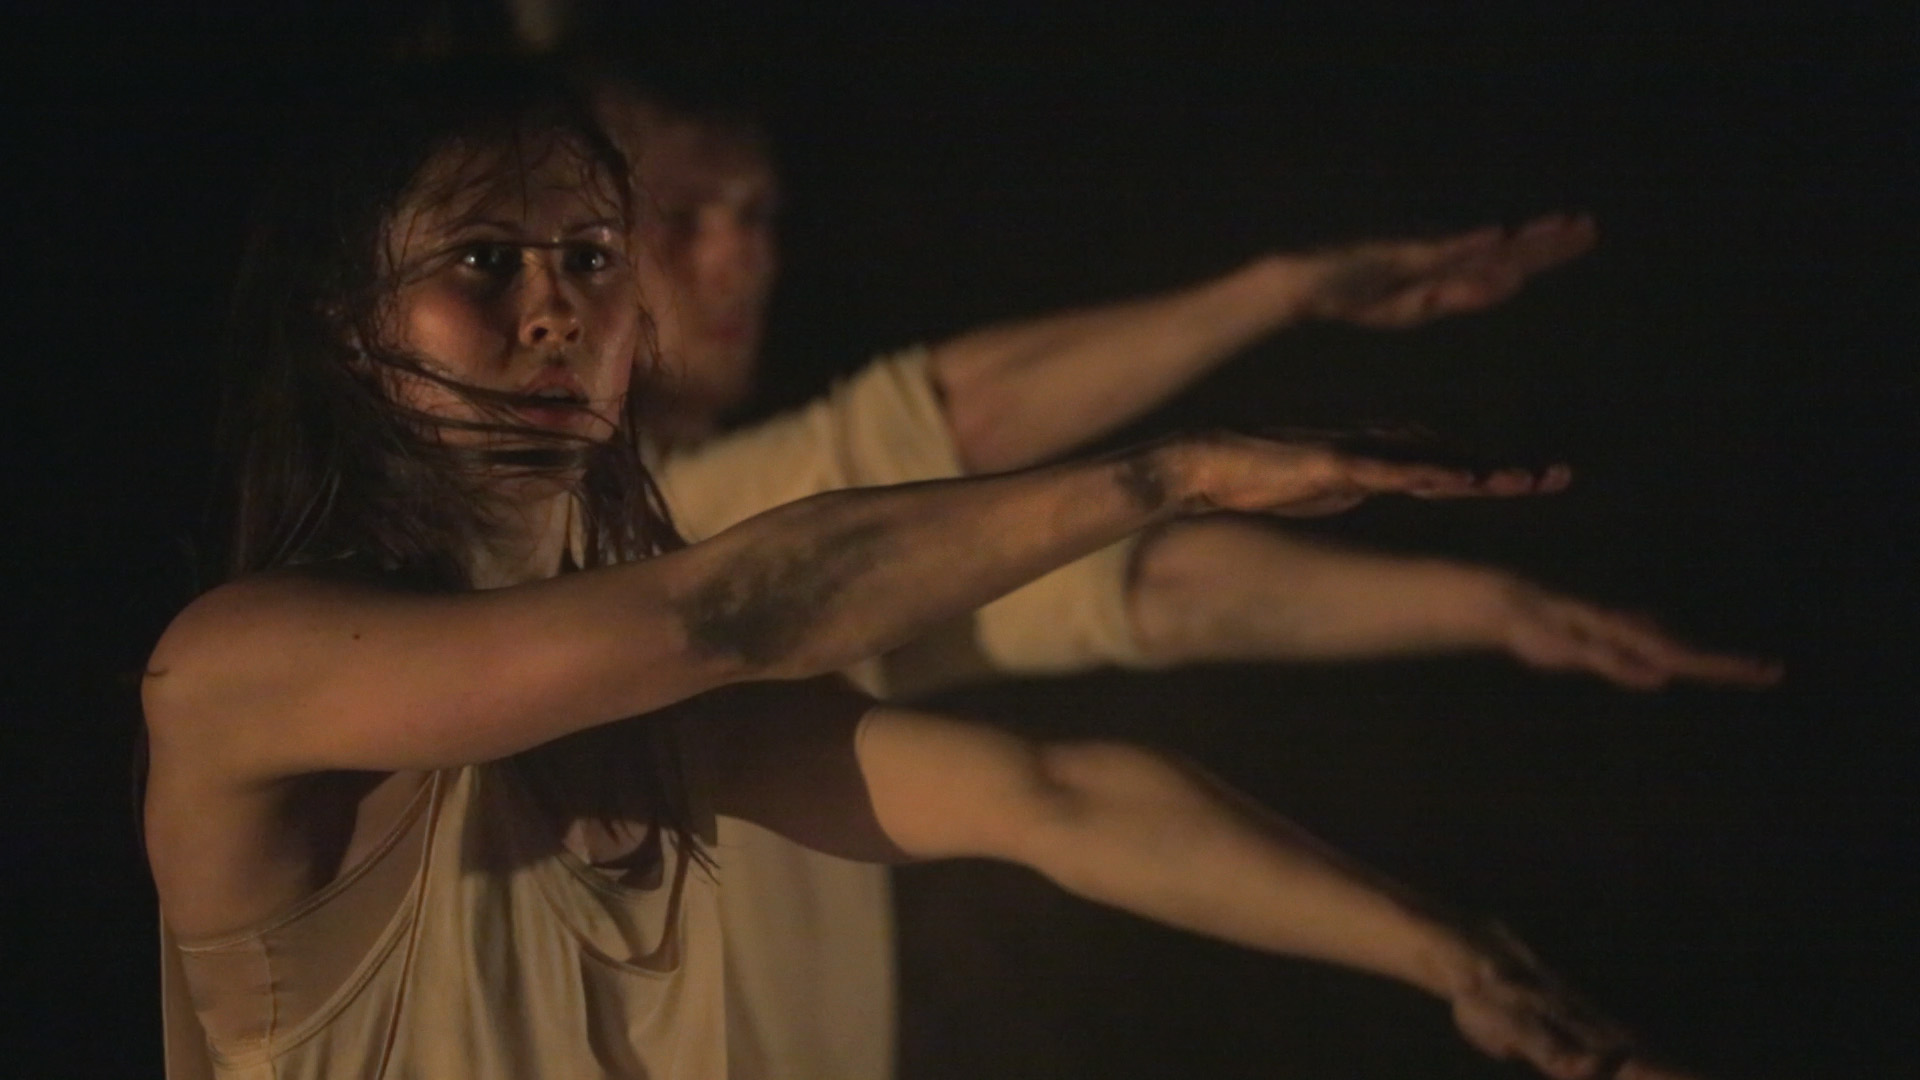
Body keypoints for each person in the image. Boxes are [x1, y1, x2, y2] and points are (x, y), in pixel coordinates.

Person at [145, 59, 1703, 1080]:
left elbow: (1055, 796)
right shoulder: (239, 670)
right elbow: (737, 598)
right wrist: (1177, 459)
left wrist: (1452, 958)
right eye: (484, 260)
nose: (556, 309)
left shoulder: (667, 716)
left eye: (593, 258)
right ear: (351, 327)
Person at [588, 79, 1781, 1079]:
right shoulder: (624, 561)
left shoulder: (752, 577)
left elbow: (1125, 618)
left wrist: (1498, 613)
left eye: (759, 214)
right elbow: (932, 426)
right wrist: (1273, 300)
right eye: (685, 217)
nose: (742, 256)